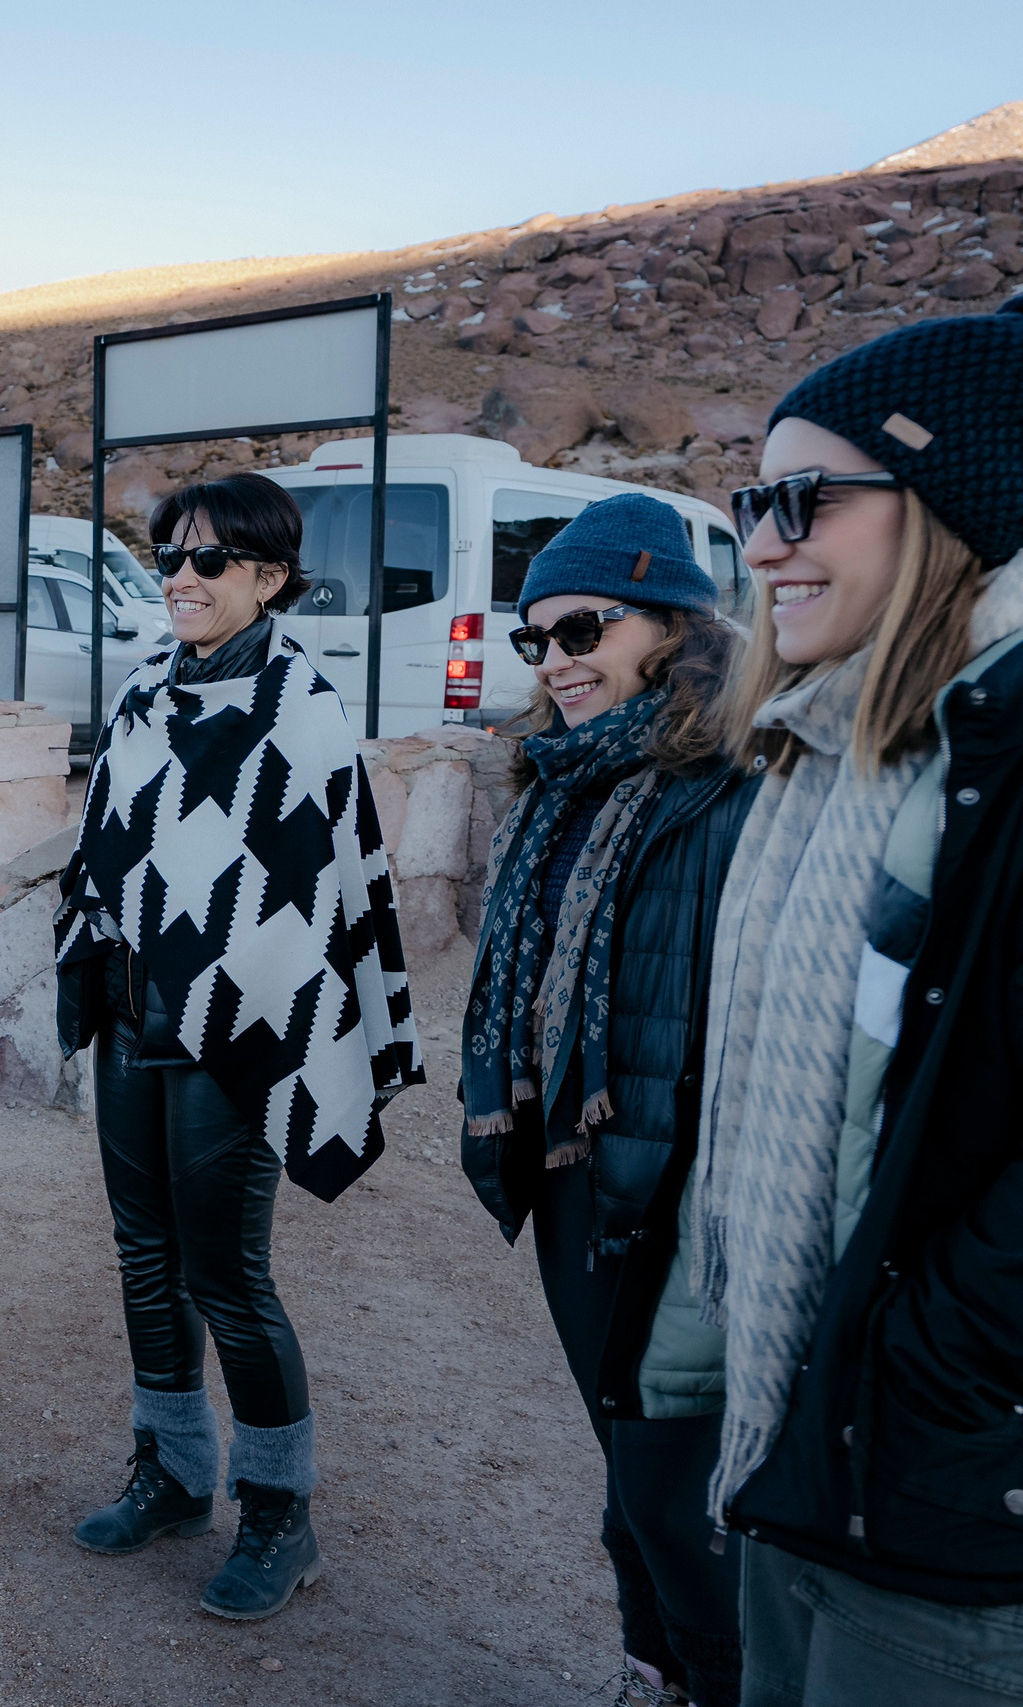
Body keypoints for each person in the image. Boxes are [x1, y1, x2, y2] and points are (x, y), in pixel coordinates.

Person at [694, 297, 1023, 1705]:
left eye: (804, 499)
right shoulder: (817, 752)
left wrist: (921, 1368)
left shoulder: (998, 765)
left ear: (949, 502)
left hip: (934, 1498)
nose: (763, 542)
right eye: (752, 500)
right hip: (794, 1437)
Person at [54, 472, 420, 1621]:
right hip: (132, 1017)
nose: (180, 579)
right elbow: (111, 845)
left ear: (268, 576)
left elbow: (320, 892)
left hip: (237, 1036)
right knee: (143, 1259)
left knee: (229, 1278)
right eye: (169, 555)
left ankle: (278, 1513)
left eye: (208, 561)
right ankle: (170, 1472)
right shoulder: (144, 688)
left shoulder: (299, 707)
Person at [459, 494, 752, 1706]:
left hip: (683, 1199)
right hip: (579, 1180)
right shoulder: (555, 785)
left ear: (667, 625)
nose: (556, 663)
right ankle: (653, 1674)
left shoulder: (730, 784)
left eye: (582, 629)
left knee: (675, 1502)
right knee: (629, 1486)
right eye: (536, 641)